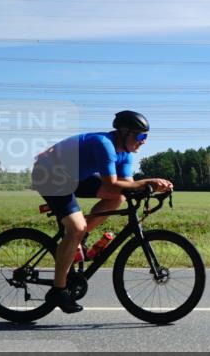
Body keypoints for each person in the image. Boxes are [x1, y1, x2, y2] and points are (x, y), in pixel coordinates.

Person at [31, 110, 173, 314]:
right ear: (124, 133)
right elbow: (112, 183)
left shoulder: (125, 153)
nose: (143, 141)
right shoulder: (104, 144)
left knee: (118, 198)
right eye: (140, 136)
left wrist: (150, 189)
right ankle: (58, 290)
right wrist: (149, 181)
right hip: (49, 174)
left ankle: (78, 238)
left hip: (73, 176)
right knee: (76, 227)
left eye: (146, 137)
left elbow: (126, 186)